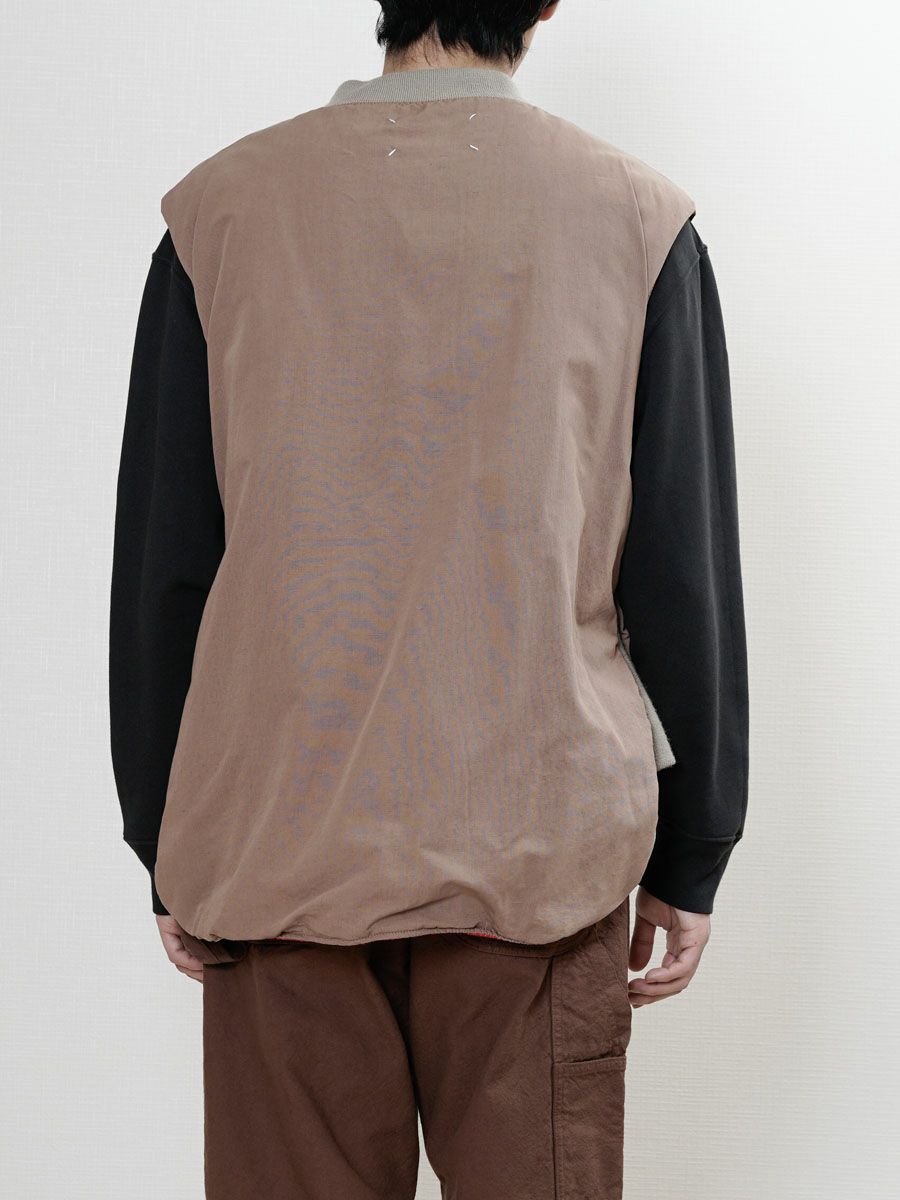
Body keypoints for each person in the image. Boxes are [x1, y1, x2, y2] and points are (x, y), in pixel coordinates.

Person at [109, 2, 749, 1196]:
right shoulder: (636, 219)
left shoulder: (222, 212)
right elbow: (679, 560)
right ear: (544, 2)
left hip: (277, 850)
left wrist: (162, 836)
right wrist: (694, 844)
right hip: (540, 858)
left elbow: (168, 565)